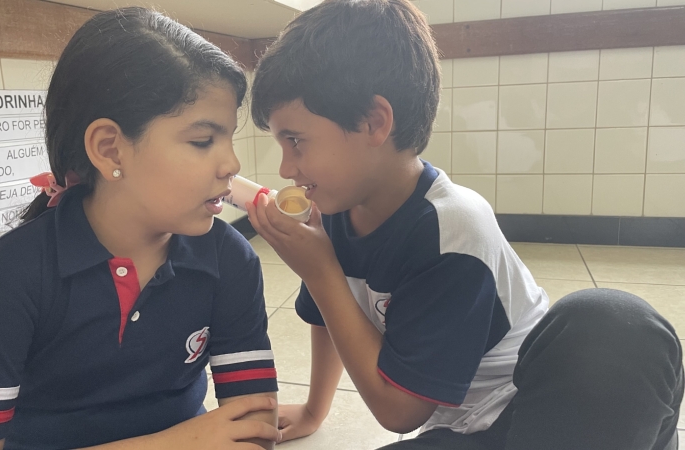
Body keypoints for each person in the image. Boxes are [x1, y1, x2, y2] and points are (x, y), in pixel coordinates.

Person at [245, 1, 683, 449]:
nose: (285, 169)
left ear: (373, 122)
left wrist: (321, 272)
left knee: (613, 324)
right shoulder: (335, 213)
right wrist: (315, 409)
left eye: (296, 141)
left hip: (536, 402)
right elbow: (328, 317)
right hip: (461, 430)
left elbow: (398, 411)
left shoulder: (452, 228)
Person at [0, 8, 280, 450]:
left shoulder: (229, 259)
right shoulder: (12, 274)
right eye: (203, 141)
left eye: (228, 139)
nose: (232, 164)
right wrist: (173, 443)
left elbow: (255, 425)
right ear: (110, 149)